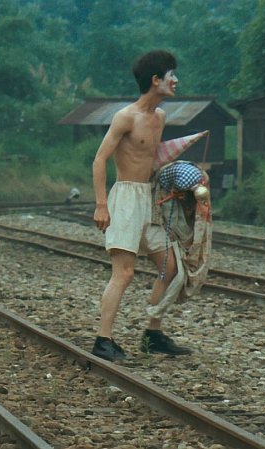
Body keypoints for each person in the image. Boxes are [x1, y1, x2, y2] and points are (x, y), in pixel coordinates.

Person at [90, 49, 192, 362]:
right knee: (124, 272)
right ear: (156, 79)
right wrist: (101, 205)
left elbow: (154, 159)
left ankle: (152, 334)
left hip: (150, 199)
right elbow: (99, 160)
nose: (176, 80)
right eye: (171, 75)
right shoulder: (126, 117)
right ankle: (103, 340)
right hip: (125, 199)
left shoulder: (160, 118)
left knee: (171, 267)